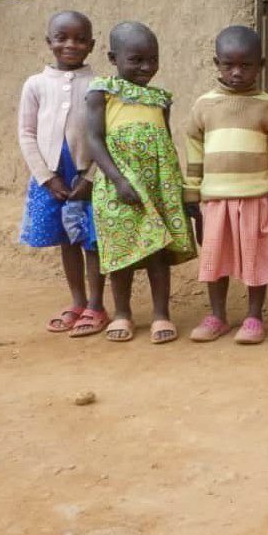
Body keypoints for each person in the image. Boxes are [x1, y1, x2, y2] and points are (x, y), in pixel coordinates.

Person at [85, 22, 197, 343]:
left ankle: (162, 314)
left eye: (153, 59)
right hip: (119, 187)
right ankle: (122, 314)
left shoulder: (160, 98)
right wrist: (119, 180)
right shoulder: (102, 91)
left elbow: (163, 142)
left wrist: (177, 188)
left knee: (157, 252)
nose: (146, 67)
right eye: (136, 60)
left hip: (158, 187)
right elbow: (94, 139)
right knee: (123, 253)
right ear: (113, 57)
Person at [184, 26, 268, 345]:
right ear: (217, 63)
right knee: (216, 259)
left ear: (261, 64)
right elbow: (193, 148)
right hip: (215, 199)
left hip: (257, 197)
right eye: (229, 65)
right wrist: (191, 192)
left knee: (255, 258)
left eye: (246, 65)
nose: (237, 72)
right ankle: (217, 315)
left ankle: (254, 316)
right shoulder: (204, 105)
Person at [18, 11, 108, 336]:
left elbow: (107, 138)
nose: (71, 44)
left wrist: (92, 178)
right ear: (49, 42)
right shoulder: (36, 85)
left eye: (80, 39)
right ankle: (78, 301)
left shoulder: (100, 86)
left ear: (92, 45)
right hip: (53, 178)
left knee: (93, 241)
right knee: (67, 241)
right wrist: (46, 177)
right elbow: (27, 134)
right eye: (62, 38)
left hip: (87, 177)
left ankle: (97, 306)